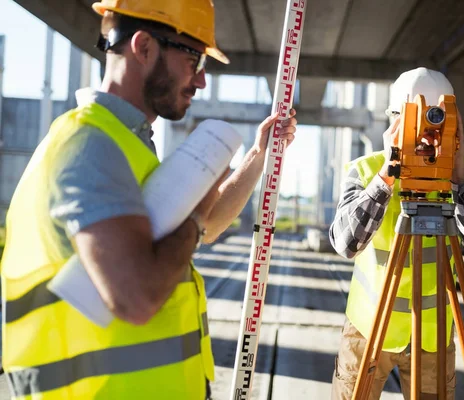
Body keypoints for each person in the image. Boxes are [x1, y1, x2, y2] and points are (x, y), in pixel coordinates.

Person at [0, 1, 297, 399]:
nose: (202, 81)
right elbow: (136, 297)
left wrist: (259, 157)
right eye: (194, 60)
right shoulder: (89, 145)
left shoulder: (126, 143)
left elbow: (204, 227)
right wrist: (192, 215)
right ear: (143, 47)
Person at [329, 67, 464, 400]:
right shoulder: (366, 171)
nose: (427, 135)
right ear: (395, 120)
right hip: (369, 331)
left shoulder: (462, 172)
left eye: (436, 120)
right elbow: (346, 243)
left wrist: (460, 180)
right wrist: (386, 178)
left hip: (432, 336)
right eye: (417, 120)